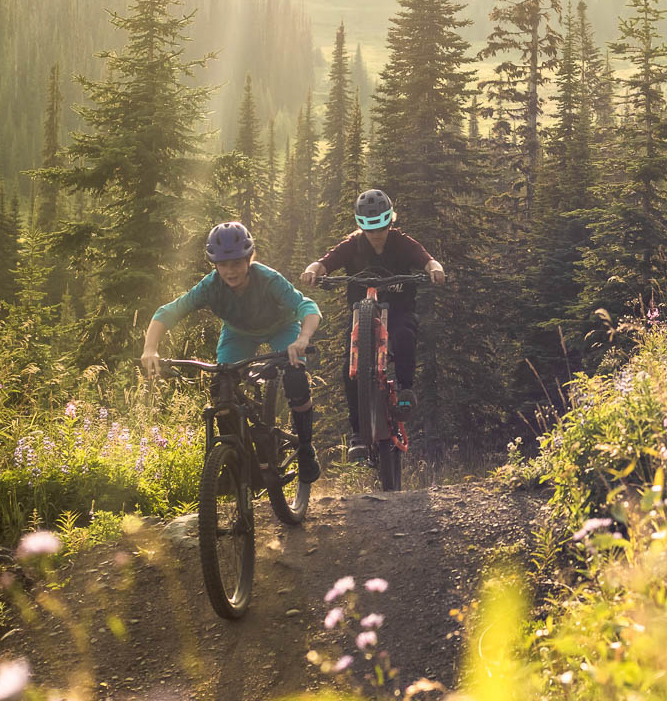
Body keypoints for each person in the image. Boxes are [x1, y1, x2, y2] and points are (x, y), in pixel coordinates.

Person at [142, 221, 324, 482]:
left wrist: (303, 338)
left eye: (237, 263)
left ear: (250, 259)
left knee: (295, 376)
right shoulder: (209, 286)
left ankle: (306, 448)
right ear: (214, 264)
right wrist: (150, 349)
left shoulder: (269, 279)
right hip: (238, 333)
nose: (230, 271)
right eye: (223, 264)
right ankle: (239, 461)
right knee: (222, 391)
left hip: (281, 328)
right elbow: (167, 313)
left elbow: (308, 307)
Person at [301, 189, 445, 450]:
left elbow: (426, 259)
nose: (377, 235)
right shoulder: (351, 245)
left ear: (391, 221)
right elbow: (325, 262)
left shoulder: (402, 242)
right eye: (370, 230)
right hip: (361, 314)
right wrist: (313, 270)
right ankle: (358, 433)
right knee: (350, 367)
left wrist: (434, 269)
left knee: (404, 336)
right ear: (361, 227)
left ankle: (404, 389)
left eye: (382, 227)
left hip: (399, 311)